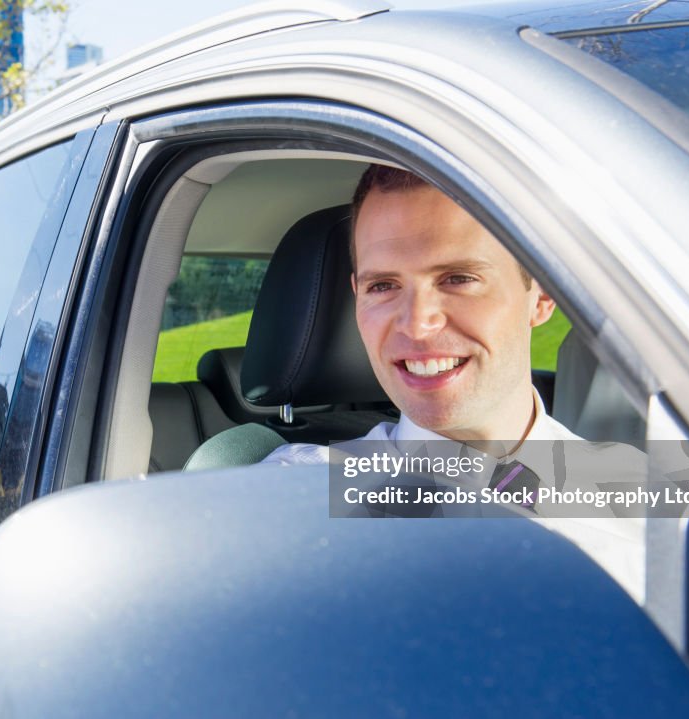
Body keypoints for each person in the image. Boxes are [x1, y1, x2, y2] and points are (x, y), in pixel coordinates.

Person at [263, 164, 646, 599]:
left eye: (458, 278)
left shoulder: (656, 506)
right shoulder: (295, 494)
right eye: (383, 286)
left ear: (541, 295)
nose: (417, 325)